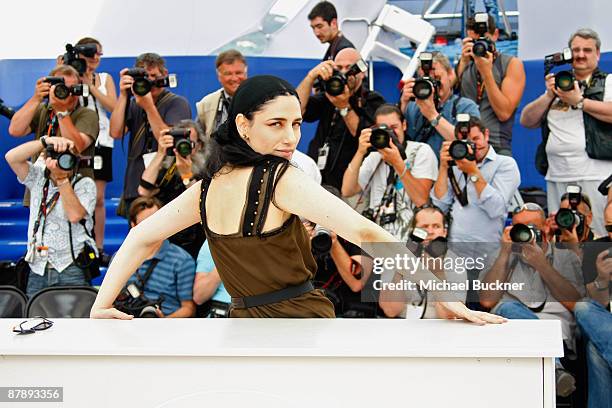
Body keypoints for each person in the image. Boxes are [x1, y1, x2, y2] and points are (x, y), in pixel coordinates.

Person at [91, 74, 504, 324]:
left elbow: (141, 236)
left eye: (294, 123)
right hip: (302, 324)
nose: (291, 137)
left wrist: (101, 304)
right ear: (243, 125)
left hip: (244, 326)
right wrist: (446, 295)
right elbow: (363, 230)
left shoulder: (207, 186)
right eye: (276, 124)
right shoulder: (280, 178)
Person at [479, 203, 585, 397]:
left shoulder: (565, 257)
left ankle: (553, 366)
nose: (525, 233)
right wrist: (504, 254)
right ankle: (555, 370)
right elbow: (487, 301)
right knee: (509, 307)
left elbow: (574, 302)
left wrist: (541, 263)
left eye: (531, 226)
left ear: (546, 226)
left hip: (556, 335)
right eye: (519, 227)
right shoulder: (499, 256)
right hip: (508, 334)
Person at [520, 28, 612, 238]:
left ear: (597, 54)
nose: (580, 55)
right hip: (558, 175)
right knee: (562, 236)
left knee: (597, 233)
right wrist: (549, 95)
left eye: (587, 50)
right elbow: (527, 121)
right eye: (576, 50)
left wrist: (579, 102)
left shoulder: (608, 82)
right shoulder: (559, 83)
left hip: (596, 175)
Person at [5, 137, 97, 297]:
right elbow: (11, 157)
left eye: (67, 157)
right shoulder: (38, 178)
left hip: (71, 266)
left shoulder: (84, 184)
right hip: (38, 267)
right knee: (35, 318)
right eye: (56, 157)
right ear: (47, 160)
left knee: (76, 320)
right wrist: (45, 142)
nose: (61, 162)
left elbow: (75, 215)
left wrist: (61, 179)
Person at [109, 52, 191, 217]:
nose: (150, 81)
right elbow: (116, 132)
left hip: (165, 186)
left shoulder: (177, 103)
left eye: (154, 76)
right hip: (135, 183)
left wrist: (148, 107)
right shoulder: (133, 103)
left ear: (164, 75)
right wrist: (124, 95)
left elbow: (168, 140)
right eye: (145, 77)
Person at [342, 104, 438, 241]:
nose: (390, 134)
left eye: (394, 128)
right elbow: (347, 190)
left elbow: (421, 200)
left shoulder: (421, 151)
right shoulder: (375, 156)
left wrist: (397, 162)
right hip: (378, 241)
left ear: (404, 125)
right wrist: (360, 151)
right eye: (385, 130)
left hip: (411, 241)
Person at [298, 48, 385, 190]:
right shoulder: (328, 96)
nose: (344, 73)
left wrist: (344, 107)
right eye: (339, 68)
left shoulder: (372, 100)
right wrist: (310, 77)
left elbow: (366, 137)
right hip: (316, 182)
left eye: (349, 68)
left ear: (362, 72)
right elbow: (298, 110)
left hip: (347, 186)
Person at [431, 117, 520, 243]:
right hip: (454, 247)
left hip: (486, 247)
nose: (472, 146)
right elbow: (439, 207)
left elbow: (496, 209)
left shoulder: (505, 164)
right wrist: (443, 167)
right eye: (465, 142)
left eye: (476, 139)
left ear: (486, 135)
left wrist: (473, 172)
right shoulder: (456, 167)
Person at [8, 64, 99, 185]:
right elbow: (15, 130)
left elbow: (76, 146)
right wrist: (36, 98)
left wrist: (61, 111)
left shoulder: (87, 114)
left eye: (72, 88)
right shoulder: (43, 109)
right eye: (61, 87)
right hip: (39, 190)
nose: (67, 93)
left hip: (74, 189)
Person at [379, 205, 466, 319]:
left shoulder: (456, 263)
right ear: (413, 232)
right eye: (424, 227)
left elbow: (448, 315)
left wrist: (439, 275)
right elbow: (390, 310)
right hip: (402, 324)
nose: (430, 231)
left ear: (444, 232)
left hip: (439, 327)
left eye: (436, 226)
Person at [456, 14, 525, 156]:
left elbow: (504, 113)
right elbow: (448, 98)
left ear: (495, 35)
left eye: (484, 40)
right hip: (465, 146)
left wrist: (486, 73)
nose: (480, 46)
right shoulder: (466, 63)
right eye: (474, 41)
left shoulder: (511, 64)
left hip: (497, 147)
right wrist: (463, 63)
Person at [74, 37, 118, 262]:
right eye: (92, 53)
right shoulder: (70, 73)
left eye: (100, 53)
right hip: (77, 140)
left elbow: (114, 106)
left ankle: (98, 247)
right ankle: (78, 244)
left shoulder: (104, 78)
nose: (96, 58)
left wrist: (91, 86)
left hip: (102, 141)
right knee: (75, 194)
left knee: (99, 198)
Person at [137, 119, 207, 257]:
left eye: (190, 143)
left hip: (195, 238)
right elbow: (143, 191)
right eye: (180, 142)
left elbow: (200, 202)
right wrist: (160, 153)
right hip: (167, 235)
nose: (185, 147)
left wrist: (186, 175)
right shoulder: (165, 167)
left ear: (199, 145)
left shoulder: (206, 170)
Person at [124, 197, 196, 318]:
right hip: (126, 325)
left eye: (156, 222)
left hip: (165, 329)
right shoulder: (122, 258)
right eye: (145, 224)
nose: (152, 228)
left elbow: (188, 308)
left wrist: (164, 322)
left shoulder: (182, 260)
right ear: (133, 225)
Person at [401, 52, 480, 159]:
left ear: (450, 75)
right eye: (426, 81)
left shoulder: (465, 106)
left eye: (437, 79)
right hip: (418, 172)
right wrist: (403, 104)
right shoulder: (412, 107)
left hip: (451, 171)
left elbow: (470, 145)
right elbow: (396, 138)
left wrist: (433, 115)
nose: (433, 86)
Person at [196, 50, 247, 138]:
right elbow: (199, 141)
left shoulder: (261, 101)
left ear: (246, 73)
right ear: (219, 76)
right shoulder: (206, 105)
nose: (234, 78)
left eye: (238, 73)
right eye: (228, 74)